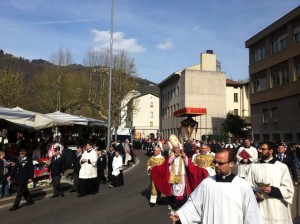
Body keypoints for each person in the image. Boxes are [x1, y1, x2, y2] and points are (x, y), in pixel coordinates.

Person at [170, 148, 262, 224]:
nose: (216, 165)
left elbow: (251, 214)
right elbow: (194, 204)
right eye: (215, 162)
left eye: (220, 163)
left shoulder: (242, 186)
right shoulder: (206, 183)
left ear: (231, 164)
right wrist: (181, 215)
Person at [246, 141, 294, 224]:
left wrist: (272, 190)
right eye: (259, 149)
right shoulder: (253, 166)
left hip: (276, 206)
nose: (260, 151)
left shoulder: (281, 167)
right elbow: (247, 185)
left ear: (271, 151)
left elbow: (288, 189)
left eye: (263, 149)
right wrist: (254, 193)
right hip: (259, 205)